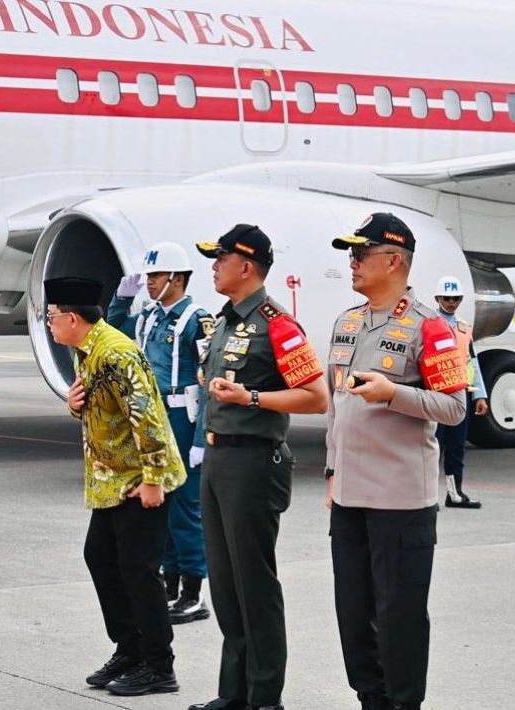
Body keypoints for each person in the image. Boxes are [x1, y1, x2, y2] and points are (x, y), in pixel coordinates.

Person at [324, 213, 468, 710]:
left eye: (360, 253)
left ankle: (404, 703)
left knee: (400, 615)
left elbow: (453, 408)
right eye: (351, 253)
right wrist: (331, 468)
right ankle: (371, 699)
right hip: (350, 495)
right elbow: (336, 405)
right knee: (353, 612)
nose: (352, 261)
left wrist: (394, 394)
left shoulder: (430, 327)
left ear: (393, 260)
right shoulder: (346, 322)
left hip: (401, 500)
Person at [187, 225, 328, 710]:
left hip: (253, 460)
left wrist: (252, 396)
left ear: (246, 266)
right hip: (219, 457)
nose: (213, 266)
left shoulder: (278, 324)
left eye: (220, 258)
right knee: (225, 585)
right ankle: (235, 692)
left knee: (254, 583)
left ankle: (266, 696)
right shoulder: (223, 321)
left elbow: (315, 397)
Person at [47, 276, 187, 698]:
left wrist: (153, 480)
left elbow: (151, 419)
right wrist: (74, 408)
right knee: (101, 558)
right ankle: (131, 648)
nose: (49, 323)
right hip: (110, 481)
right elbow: (99, 410)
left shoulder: (118, 353)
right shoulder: (84, 352)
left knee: (139, 571)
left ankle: (159, 665)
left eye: (52, 317)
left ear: (73, 318)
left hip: (140, 481)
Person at [108, 242, 215, 625]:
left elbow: (209, 382)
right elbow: (115, 333)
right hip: (154, 418)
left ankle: (192, 591)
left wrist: (202, 438)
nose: (150, 283)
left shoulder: (197, 321)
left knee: (186, 505)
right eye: (149, 276)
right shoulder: (149, 317)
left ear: (177, 278)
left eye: (155, 276)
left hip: (183, 418)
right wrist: (122, 301)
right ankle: (170, 584)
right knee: (161, 504)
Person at [432, 275, 489, 509]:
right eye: (447, 298)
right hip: (436, 392)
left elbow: (472, 361)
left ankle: (455, 494)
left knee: (456, 446)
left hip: (460, 392)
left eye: (456, 298)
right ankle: (424, 497)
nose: (452, 302)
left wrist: (479, 394)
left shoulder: (465, 328)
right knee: (432, 446)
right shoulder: (429, 323)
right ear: (438, 298)